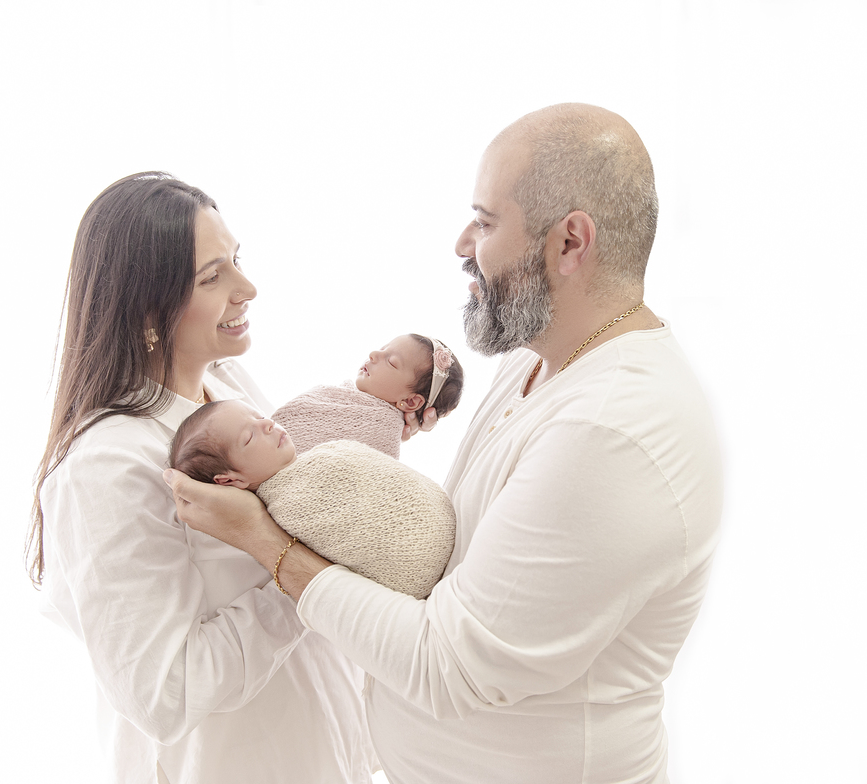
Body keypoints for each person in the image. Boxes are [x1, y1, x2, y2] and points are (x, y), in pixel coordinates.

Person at [164, 104, 723, 783]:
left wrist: (265, 543)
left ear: (570, 242)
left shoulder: (611, 430)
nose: (462, 243)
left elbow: (452, 667)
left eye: (485, 222)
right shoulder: (537, 360)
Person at [27, 172, 377, 783]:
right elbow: (165, 694)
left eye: (237, 260)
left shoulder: (226, 386)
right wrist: (303, 574)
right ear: (147, 309)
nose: (248, 288)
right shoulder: (107, 467)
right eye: (213, 277)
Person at [167, 399, 456, 598]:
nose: (268, 425)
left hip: (449, 527)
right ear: (230, 481)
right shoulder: (286, 510)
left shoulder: (316, 457)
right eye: (249, 437)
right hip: (424, 567)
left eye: (260, 416)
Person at [271, 333, 466, 459]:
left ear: (410, 401)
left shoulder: (382, 434)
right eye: (382, 348)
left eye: (391, 362)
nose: (373, 354)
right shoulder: (340, 395)